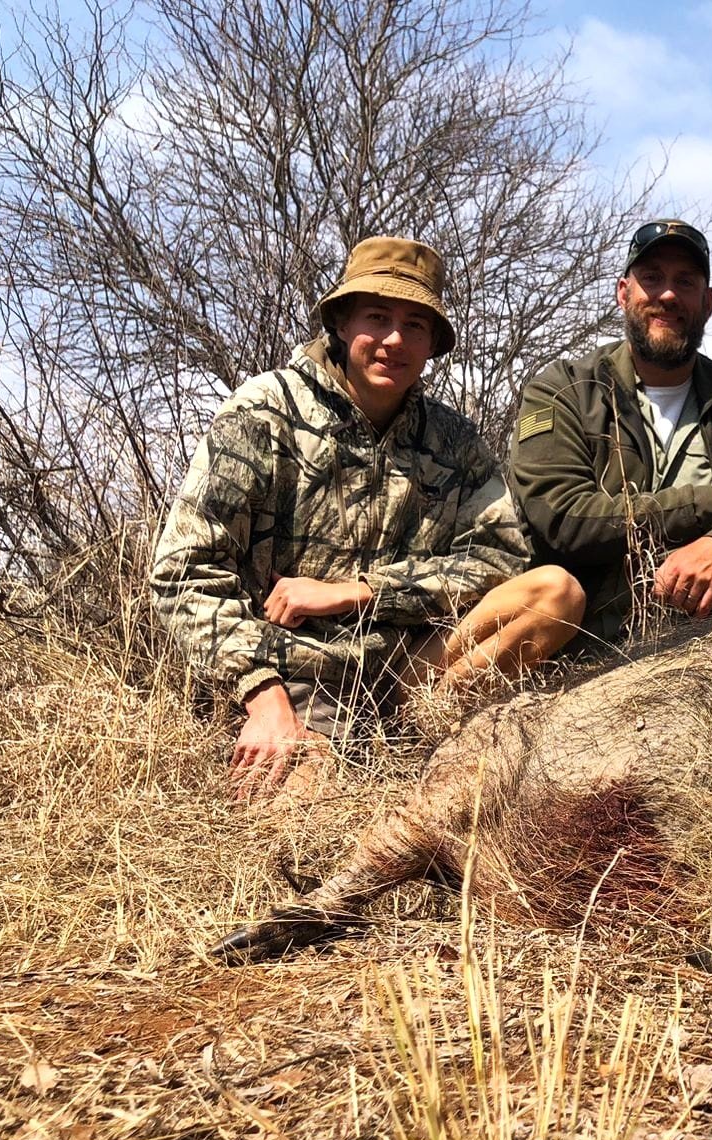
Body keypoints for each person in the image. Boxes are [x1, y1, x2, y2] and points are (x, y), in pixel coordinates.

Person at [150, 236, 584, 800]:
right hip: (296, 676)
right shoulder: (263, 410)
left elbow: (501, 557)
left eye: (417, 325)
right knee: (312, 828)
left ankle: (419, 736)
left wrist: (360, 592)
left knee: (556, 592)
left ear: (432, 344)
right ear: (342, 322)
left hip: (411, 670)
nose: (395, 340)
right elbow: (184, 573)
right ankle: (336, 755)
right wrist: (263, 695)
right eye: (377, 317)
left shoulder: (453, 438)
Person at [509, 218, 712, 646]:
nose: (669, 294)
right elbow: (561, 518)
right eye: (652, 278)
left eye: (686, 281)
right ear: (624, 294)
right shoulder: (562, 389)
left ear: (707, 302)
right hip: (588, 649)